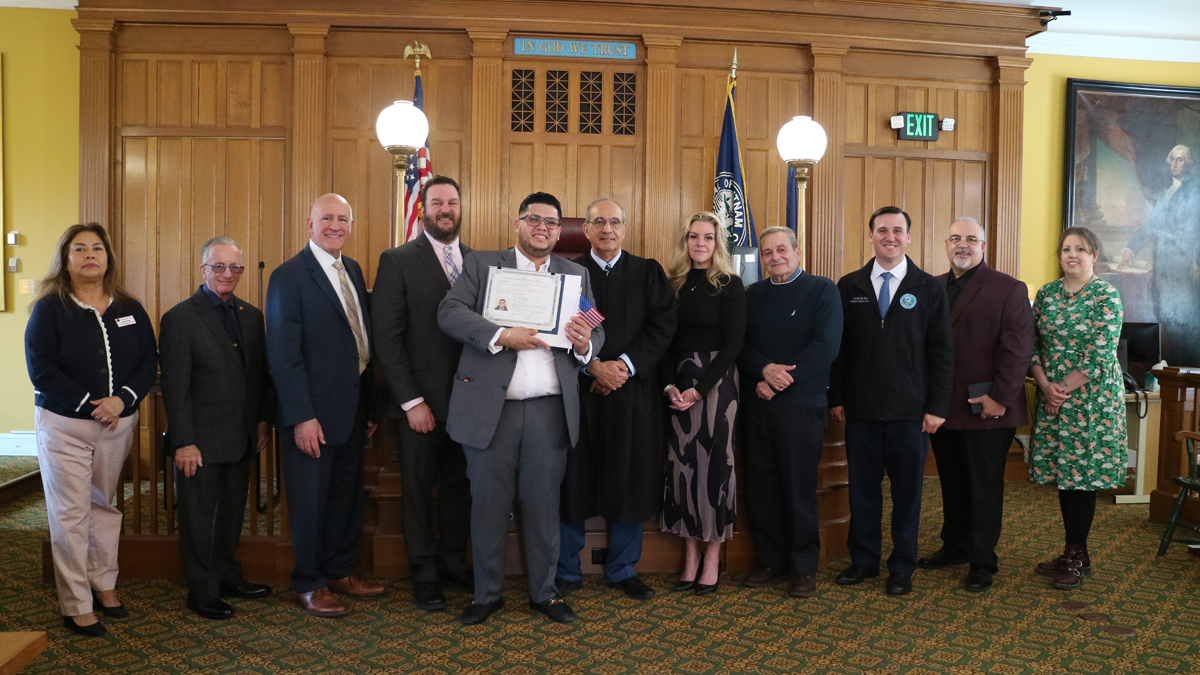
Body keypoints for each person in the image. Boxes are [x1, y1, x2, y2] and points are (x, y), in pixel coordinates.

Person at [437, 192, 604, 625]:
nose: (542, 228)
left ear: (559, 231)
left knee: (544, 506)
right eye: (534, 219)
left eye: (551, 222)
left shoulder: (576, 274)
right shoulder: (482, 265)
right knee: (487, 507)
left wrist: (585, 344)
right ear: (518, 224)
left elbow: (594, 328)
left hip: (549, 412)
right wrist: (501, 335)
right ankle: (486, 595)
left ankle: (545, 593)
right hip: (492, 410)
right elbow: (449, 312)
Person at [25, 223, 158, 636]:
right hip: (65, 426)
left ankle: (104, 583)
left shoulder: (130, 308)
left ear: (108, 258)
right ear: (65, 260)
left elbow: (148, 360)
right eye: (79, 249)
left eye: (97, 249)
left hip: (118, 424)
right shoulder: (50, 309)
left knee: (104, 505)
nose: (89, 256)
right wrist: (90, 405)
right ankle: (76, 603)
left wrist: (123, 400)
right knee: (70, 514)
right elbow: (41, 369)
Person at [265, 193, 382, 618]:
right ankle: (309, 582)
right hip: (311, 415)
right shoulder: (288, 276)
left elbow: (360, 343)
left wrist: (369, 408)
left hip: (352, 409)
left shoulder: (352, 269)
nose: (336, 225)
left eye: (343, 219)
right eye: (327, 218)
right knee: (310, 502)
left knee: (345, 498)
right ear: (309, 224)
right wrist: (302, 416)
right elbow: (283, 355)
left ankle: (339, 571)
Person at [829, 206, 954, 597]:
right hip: (861, 412)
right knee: (862, 493)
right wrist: (837, 397)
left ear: (909, 237)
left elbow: (942, 353)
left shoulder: (929, 288)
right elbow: (839, 350)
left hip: (912, 415)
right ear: (870, 236)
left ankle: (902, 566)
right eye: (882, 230)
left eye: (898, 230)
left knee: (907, 497)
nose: (890, 237)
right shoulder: (849, 286)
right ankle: (864, 561)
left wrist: (937, 407)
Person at [556, 198, 677, 601]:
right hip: (581, 394)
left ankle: (623, 568)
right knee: (573, 481)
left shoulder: (648, 272)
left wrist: (621, 367)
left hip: (633, 393)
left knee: (630, 478)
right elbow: (560, 330)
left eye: (614, 222)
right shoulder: (570, 275)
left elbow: (662, 327)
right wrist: (593, 367)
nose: (607, 229)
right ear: (586, 229)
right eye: (599, 222)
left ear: (624, 229)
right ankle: (566, 570)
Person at [372, 175, 474, 612]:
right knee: (417, 493)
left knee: (459, 489)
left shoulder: (478, 261)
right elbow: (387, 337)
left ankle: (452, 561)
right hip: (420, 405)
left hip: (470, 402)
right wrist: (412, 401)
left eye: (452, 202)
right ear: (423, 209)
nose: (445, 209)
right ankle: (425, 574)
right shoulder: (397, 260)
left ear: (460, 209)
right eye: (437, 203)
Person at [160, 236, 275, 620]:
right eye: (219, 266)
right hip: (199, 443)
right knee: (197, 520)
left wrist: (262, 420)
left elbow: (260, 376)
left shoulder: (251, 315)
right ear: (203, 269)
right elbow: (175, 389)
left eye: (235, 267)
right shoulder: (180, 318)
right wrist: (184, 442)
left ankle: (227, 577)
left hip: (242, 437)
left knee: (229, 516)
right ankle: (202, 591)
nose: (228, 273)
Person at [918, 219, 1034, 592]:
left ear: (983, 246)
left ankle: (983, 561)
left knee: (984, 488)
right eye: (955, 238)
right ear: (946, 244)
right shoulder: (931, 286)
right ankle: (955, 546)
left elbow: (1017, 349)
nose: (962, 245)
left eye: (971, 239)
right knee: (952, 483)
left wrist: (999, 398)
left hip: (987, 408)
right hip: (942, 409)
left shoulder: (1008, 288)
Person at [738, 226, 841, 598]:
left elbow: (826, 346)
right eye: (767, 252)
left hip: (801, 406)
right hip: (758, 405)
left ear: (798, 252)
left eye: (782, 249)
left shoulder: (822, 290)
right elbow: (738, 344)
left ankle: (803, 566)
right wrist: (764, 370)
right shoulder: (752, 294)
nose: (775, 257)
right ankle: (770, 560)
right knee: (761, 487)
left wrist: (780, 380)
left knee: (799, 489)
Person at [1029, 226, 1126, 591]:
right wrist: (1045, 385)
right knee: (1064, 473)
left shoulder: (1106, 295)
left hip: (1091, 400)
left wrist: (1061, 390)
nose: (1072, 255)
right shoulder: (1046, 294)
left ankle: (1077, 554)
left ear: (1094, 255)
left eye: (1081, 249)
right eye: (1067, 249)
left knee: (1081, 477)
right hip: (1052, 394)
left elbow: (1101, 353)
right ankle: (1071, 548)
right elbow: (1031, 344)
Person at [660, 211, 746, 595]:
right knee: (682, 466)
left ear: (717, 242)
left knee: (715, 467)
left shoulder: (729, 283)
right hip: (679, 380)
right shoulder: (673, 283)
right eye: (694, 237)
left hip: (717, 382)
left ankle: (712, 558)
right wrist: (669, 386)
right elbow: (663, 339)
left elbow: (733, 343)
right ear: (686, 241)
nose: (700, 243)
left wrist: (701, 389)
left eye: (708, 237)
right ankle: (690, 558)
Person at [1117, 144, 1200, 367]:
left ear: (1188, 163)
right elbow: (1152, 224)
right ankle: (1173, 370)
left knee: (1184, 323)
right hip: (1164, 266)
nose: (1175, 164)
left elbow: (1196, 231)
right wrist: (1131, 248)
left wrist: (1197, 262)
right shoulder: (1166, 192)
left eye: (1180, 159)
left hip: (1183, 267)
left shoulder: (1195, 193)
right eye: (1172, 159)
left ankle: (1187, 373)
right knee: (1166, 318)